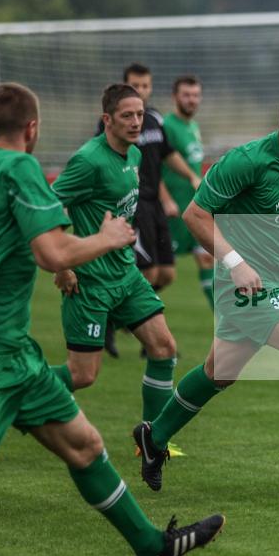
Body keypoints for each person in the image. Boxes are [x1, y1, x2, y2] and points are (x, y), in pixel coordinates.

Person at [0, 82, 223, 556]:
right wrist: (108, 237)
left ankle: (153, 548)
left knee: (86, 445)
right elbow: (52, 254)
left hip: (13, 351)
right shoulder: (20, 167)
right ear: (32, 129)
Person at [133, 87, 279, 494]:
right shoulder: (246, 161)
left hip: (277, 280)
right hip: (247, 286)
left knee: (220, 373)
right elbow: (195, 215)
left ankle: (154, 436)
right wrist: (235, 264)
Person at [50, 84, 184, 454]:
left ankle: (153, 441)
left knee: (164, 348)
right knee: (83, 375)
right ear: (106, 119)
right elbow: (49, 206)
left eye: (139, 114)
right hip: (89, 281)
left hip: (126, 275)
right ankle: (17, 388)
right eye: (127, 115)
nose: (136, 122)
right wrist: (61, 265)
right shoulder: (87, 160)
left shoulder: (136, 156)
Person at [99, 63, 201, 358]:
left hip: (154, 205)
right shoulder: (111, 124)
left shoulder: (154, 119)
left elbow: (167, 155)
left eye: (145, 86)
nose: (141, 91)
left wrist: (191, 176)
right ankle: (150, 341)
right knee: (148, 272)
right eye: (135, 85)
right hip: (134, 204)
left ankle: (113, 318)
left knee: (167, 274)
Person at [161, 75, 215, 310]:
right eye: (186, 95)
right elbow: (152, 166)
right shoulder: (167, 126)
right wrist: (164, 199)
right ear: (175, 97)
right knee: (159, 273)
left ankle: (224, 320)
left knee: (207, 257)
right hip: (171, 209)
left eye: (195, 95)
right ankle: (126, 314)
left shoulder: (193, 126)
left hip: (193, 207)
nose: (191, 100)